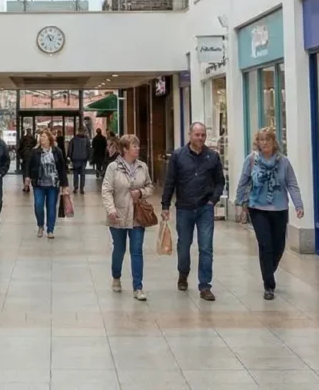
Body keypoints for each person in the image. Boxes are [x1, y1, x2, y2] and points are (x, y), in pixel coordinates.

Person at [234, 127, 304, 300]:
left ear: (274, 142)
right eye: (262, 140)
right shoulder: (251, 160)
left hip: (279, 208)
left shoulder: (284, 162)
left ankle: (268, 270)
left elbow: (292, 184)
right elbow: (243, 182)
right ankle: (269, 285)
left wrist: (298, 205)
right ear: (257, 142)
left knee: (278, 246)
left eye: (268, 140)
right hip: (258, 208)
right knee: (265, 245)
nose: (265, 143)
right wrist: (239, 202)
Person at [161, 121, 225, 301]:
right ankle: (183, 273)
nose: (200, 138)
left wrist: (213, 200)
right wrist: (165, 205)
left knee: (206, 247)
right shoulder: (178, 156)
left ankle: (205, 286)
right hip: (184, 208)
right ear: (190, 135)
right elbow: (170, 181)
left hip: (205, 208)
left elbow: (220, 182)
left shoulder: (212, 157)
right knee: (184, 245)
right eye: (197, 134)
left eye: (203, 135)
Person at [101, 134, 153, 301]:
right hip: (118, 215)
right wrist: (111, 209)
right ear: (125, 149)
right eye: (134, 146)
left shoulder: (143, 167)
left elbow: (150, 186)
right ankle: (116, 276)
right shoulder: (113, 168)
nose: (138, 148)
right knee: (119, 249)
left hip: (137, 216)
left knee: (137, 250)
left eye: (138, 145)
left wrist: (141, 192)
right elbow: (106, 190)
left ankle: (138, 287)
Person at [26, 129, 68, 237]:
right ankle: (40, 225)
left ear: (50, 139)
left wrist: (64, 185)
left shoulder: (57, 151)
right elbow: (29, 165)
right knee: (38, 206)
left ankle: (50, 230)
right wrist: (27, 177)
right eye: (41, 137)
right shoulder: (35, 151)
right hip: (38, 184)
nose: (42, 138)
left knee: (51, 207)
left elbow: (62, 169)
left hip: (53, 184)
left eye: (44, 137)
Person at [67, 125, 91, 193]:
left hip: (75, 159)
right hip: (83, 159)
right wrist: (88, 157)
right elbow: (88, 149)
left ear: (78, 131)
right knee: (83, 174)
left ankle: (75, 187)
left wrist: (70, 157)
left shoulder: (73, 139)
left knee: (75, 174)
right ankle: (81, 188)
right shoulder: (86, 140)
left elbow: (70, 149)